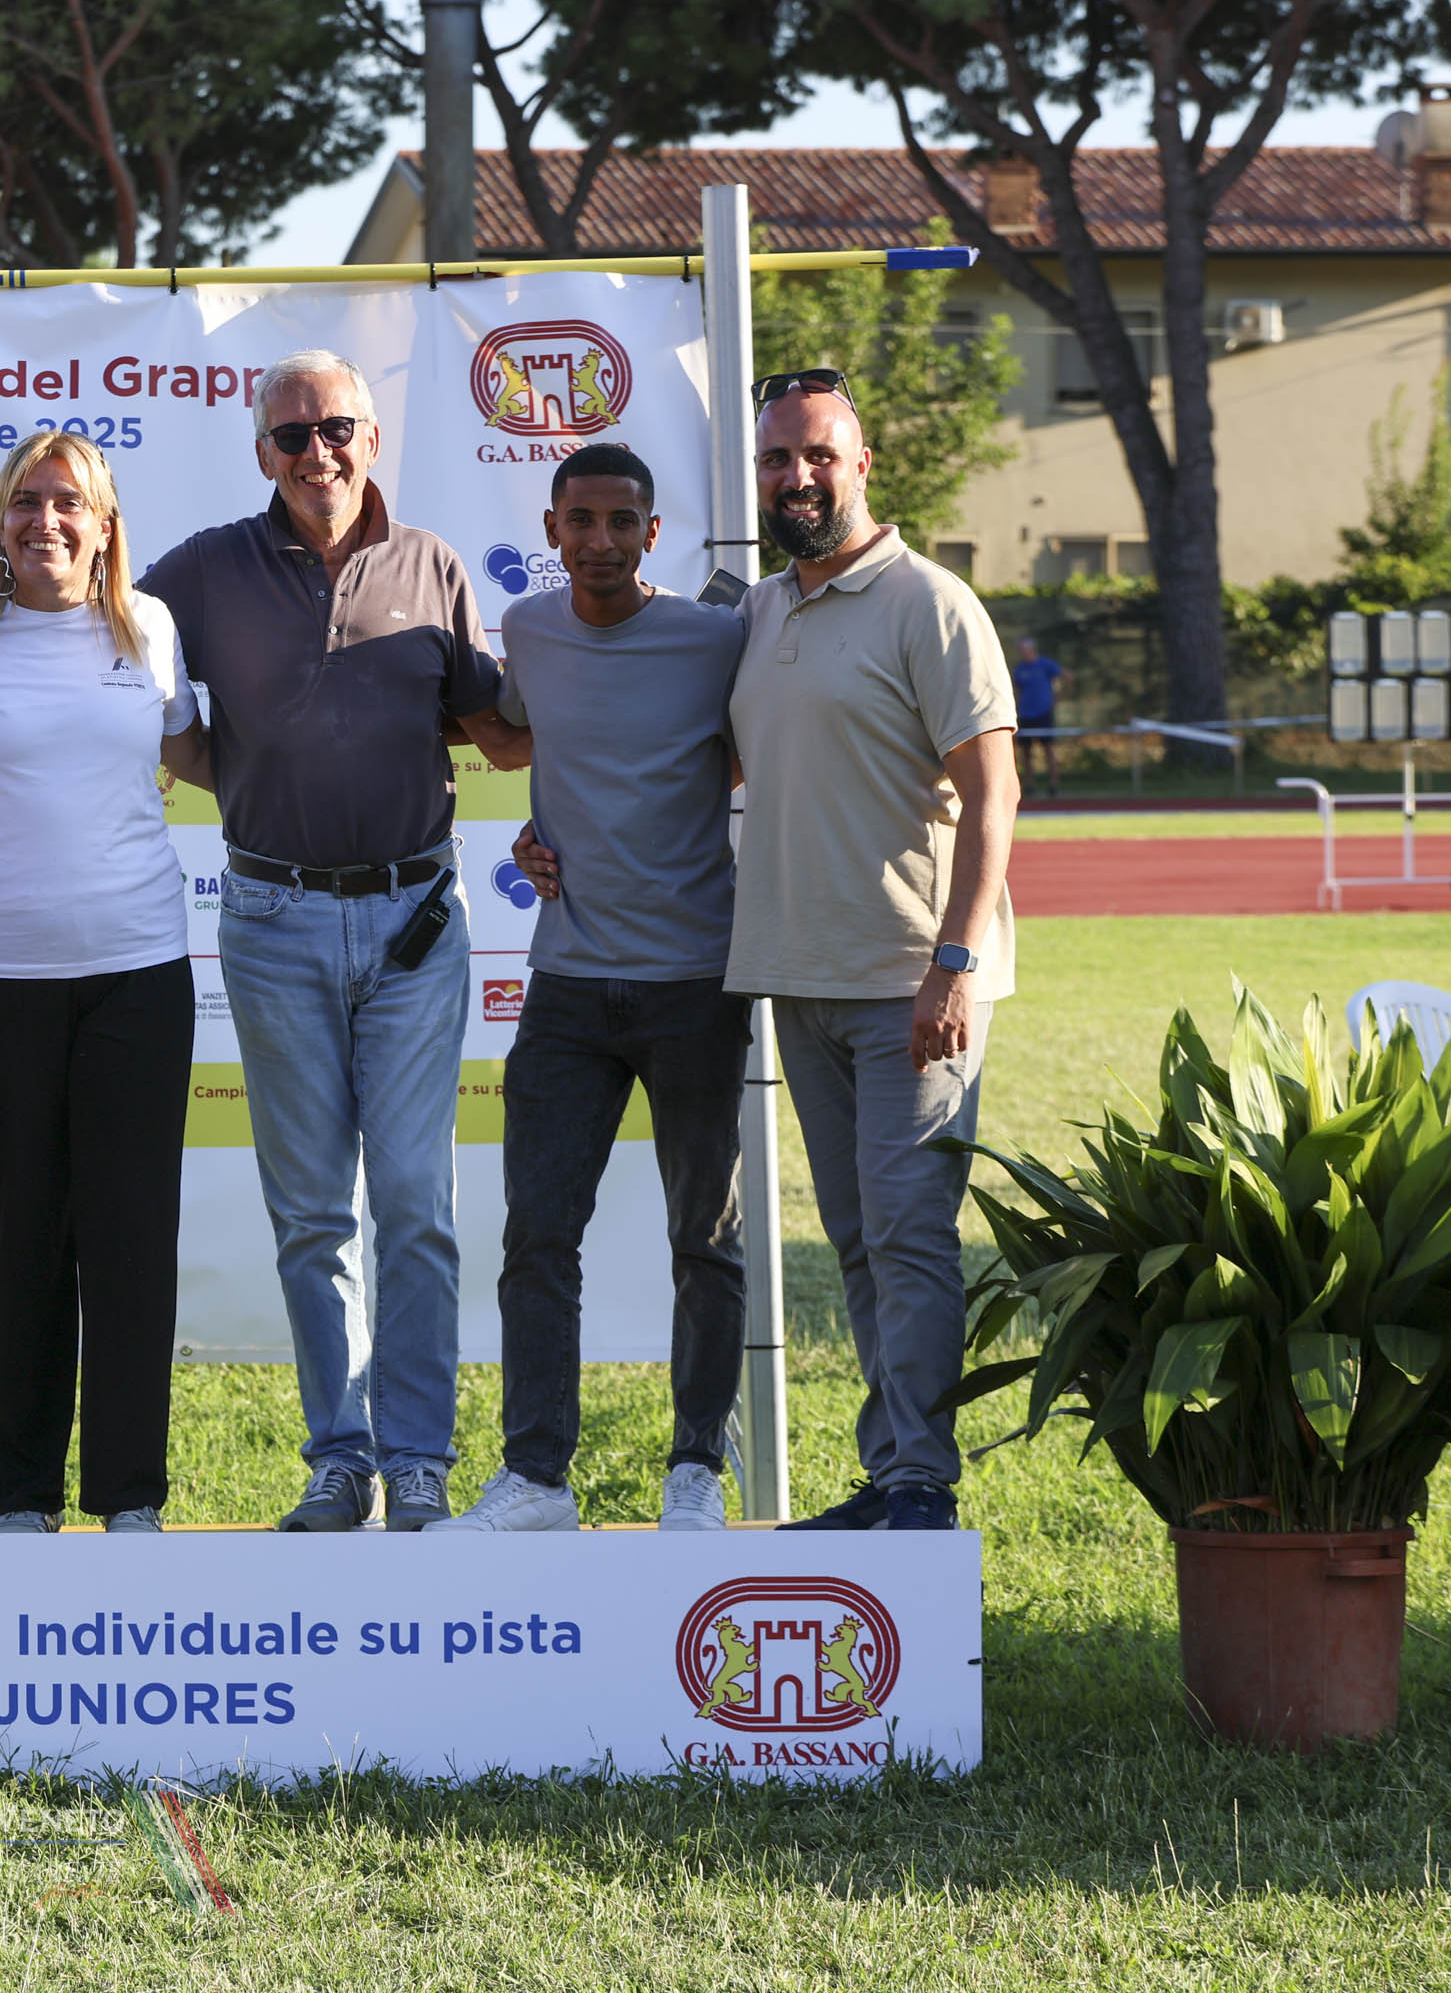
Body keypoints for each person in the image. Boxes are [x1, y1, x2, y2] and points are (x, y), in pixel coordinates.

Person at [0, 350, 525, 1533]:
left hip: (414, 921)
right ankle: (340, 1460)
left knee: (415, 1201)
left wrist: (611, 656)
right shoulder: (200, 572)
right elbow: (70, 595)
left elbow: (497, 726)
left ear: (371, 439)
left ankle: (416, 1459)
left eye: (336, 429)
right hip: (272, 918)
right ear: (261, 454)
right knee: (313, 1211)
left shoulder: (434, 564)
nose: (317, 453)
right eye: (292, 435)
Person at [0, 430, 202, 1534]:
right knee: (20, 1245)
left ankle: (130, 1498)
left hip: (138, 976)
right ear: (2, 521)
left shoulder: (149, 628)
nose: (47, 520)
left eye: (70, 502)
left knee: (130, 1245)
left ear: (105, 525)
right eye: (27, 501)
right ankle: (23, 1500)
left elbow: (193, 748)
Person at [432, 443, 751, 1533]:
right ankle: (536, 1476)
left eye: (623, 522)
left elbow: (745, 754)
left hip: (696, 982)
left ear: (653, 534)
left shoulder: (716, 637)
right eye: (582, 521)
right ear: (552, 530)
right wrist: (537, 835)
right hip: (567, 986)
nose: (601, 540)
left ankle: (696, 1469)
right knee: (537, 1236)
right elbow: (526, 743)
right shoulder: (527, 630)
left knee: (704, 1237)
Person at [732, 375, 1018, 1534]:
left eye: (818, 454)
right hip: (801, 979)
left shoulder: (930, 603)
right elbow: (704, 763)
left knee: (908, 1236)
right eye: (777, 459)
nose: (796, 476)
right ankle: (895, 1463)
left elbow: (994, 794)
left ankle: (922, 1486)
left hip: (911, 984)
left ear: (862, 463)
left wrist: (954, 963)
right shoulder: (760, 611)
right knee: (859, 1240)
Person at [1012, 636, 1065, 794]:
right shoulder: (1020, 669)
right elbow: (1017, 690)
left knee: (1048, 749)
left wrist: (1057, 699)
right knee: (1025, 751)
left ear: (1032, 649)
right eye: (1020, 650)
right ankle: (1030, 784)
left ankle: (1054, 784)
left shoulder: (1045, 664)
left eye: (1024, 650)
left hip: (1043, 713)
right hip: (1025, 714)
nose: (1022, 653)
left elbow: (1066, 677)